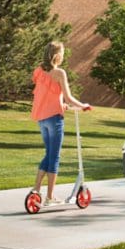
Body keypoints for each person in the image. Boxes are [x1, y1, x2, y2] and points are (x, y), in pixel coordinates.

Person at [30, 41, 89, 205]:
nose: (63, 56)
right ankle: (49, 197)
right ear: (56, 56)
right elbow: (69, 97)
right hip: (55, 118)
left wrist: (62, 104)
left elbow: (45, 95)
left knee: (49, 154)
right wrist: (83, 105)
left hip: (42, 119)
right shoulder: (59, 73)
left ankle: (36, 190)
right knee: (54, 157)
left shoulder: (39, 71)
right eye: (62, 53)